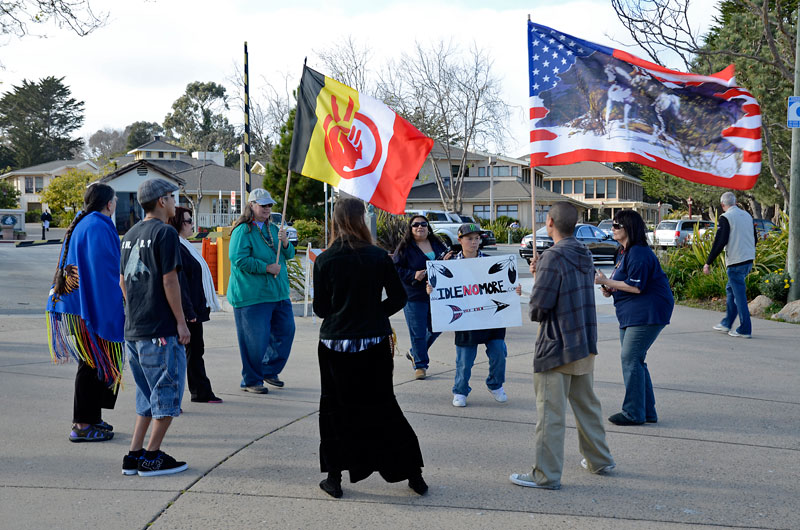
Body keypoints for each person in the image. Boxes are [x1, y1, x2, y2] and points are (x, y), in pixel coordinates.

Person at [313, 198, 426, 499]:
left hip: (334, 344)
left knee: (335, 409)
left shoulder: (325, 260)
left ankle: (334, 477)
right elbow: (399, 298)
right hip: (374, 342)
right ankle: (413, 473)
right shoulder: (378, 257)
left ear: (335, 221)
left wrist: (344, 312)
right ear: (362, 220)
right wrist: (374, 314)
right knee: (382, 405)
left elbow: (321, 307)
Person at [510, 202, 614, 490]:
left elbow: (538, 308)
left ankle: (546, 475)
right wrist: (538, 272)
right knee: (587, 406)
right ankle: (599, 459)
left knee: (550, 414)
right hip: (584, 341)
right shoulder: (584, 252)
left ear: (550, 221)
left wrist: (540, 273)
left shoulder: (552, 258)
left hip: (556, 345)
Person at [120, 178, 190, 477]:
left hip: (134, 329)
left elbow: (122, 280)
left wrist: (136, 307)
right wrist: (181, 322)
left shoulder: (129, 234)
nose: (174, 203)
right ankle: (151, 458)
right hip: (160, 329)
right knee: (167, 396)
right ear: (161, 201)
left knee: (146, 396)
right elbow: (169, 279)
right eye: (172, 198)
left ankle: (134, 454)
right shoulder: (165, 233)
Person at [46, 183, 124, 443]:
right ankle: (81, 424)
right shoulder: (98, 225)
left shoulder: (84, 222)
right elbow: (106, 273)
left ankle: (91, 417)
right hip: (85, 307)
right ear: (109, 204)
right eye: (115, 202)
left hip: (76, 305)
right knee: (91, 364)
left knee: (93, 363)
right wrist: (117, 304)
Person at [594, 210, 674, 426]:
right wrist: (610, 288)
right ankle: (647, 411)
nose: (612, 229)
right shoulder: (623, 252)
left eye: (616, 225)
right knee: (635, 360)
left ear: (629, 228)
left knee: (630, 358)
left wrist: (608, 283)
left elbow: (636, 287)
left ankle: (633, 413)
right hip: (631, 314)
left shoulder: (639, 253)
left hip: (648, 312)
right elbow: (624, 282)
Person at [427, 222, 520, 408]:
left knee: (499, 353)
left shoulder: (493, 264)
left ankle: (495, 384)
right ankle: (460, 390)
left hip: (492, 318)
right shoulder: (450, 266)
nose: (474, 242)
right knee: (464, 361)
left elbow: (504, 287)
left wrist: (514, 290)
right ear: (460, 240)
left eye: (477, 238)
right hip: (466, 320)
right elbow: (442, 291)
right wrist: (432, 290)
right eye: (470, 239)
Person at [228, 188, 295, 394]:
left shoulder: (274, 229)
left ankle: (268, 370)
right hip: (252, 295)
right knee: (255, 341)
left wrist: (285, 243)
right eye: (263, 205)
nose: (267, 208)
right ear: (251, 205)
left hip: (278, 293)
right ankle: (251, 379)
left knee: (286, 332)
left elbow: (289, 254)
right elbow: (238, 259)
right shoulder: (242, 231)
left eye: (269, 205)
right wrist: (266, 267)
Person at [168, 206, 223, 404]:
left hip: (193, 308)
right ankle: (189, 394)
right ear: (177, 223)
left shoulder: (184, 245)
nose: (192, 225)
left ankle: (199, 392)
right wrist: (189, 311)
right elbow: (179, 283)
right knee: (184, 354)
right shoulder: (176, 246)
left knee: (195, 351)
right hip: (185, 311)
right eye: (189, 221)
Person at [393, 214, 450, 380]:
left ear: (428, 227)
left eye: (423, 224)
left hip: (437, 294)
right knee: (418, 331)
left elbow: (446, 265)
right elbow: (395, 269)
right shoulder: (404, 248)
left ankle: (414, 352)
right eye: (416, 225)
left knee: (437, 327)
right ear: (410, 229)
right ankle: (420, 365)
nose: (420, 227)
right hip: (414, 295)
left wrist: (448, 261)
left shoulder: (438, 244)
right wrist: (412, 275)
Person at [703, 191, 758, 338]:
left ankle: (745, 328)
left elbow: (720, 242)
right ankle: (727, 322)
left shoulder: (726, 217)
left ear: (722, 205)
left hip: (735, 261)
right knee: (731, 289)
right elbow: (755, 238)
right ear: (735, 202)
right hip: (748, 259)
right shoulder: (747, 215)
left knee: (739, 296)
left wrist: (708, 262)